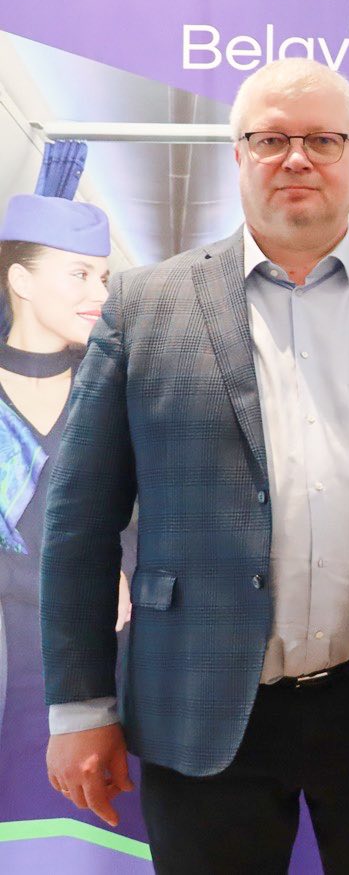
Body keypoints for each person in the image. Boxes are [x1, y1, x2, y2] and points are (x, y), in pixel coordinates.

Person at [39, 57, 349, 874]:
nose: (296, 159)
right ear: (238, 156)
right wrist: (79, 705)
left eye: (323, 140)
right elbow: (79, 524)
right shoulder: (145, 308)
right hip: (201, 699)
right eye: (271, 139)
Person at [0, 192, 143, 836]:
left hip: (107, 675)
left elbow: (158, 511)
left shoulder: (122, 388)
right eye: (80, 274)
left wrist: (124, 568)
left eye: (104, 278)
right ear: (22, 280)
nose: (99, 294)